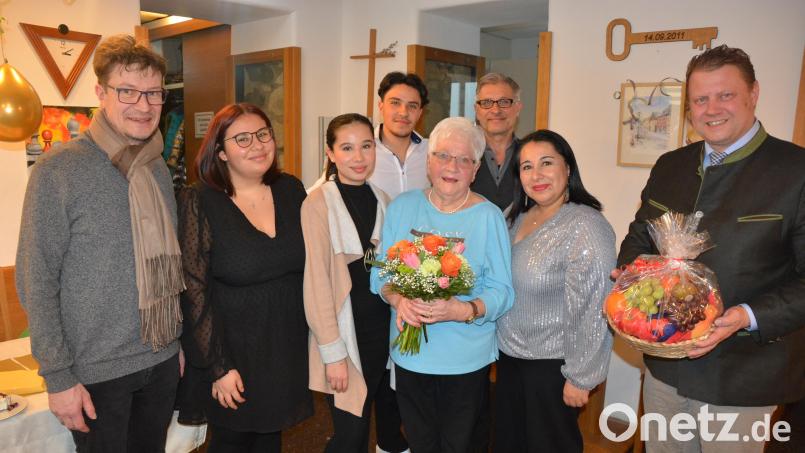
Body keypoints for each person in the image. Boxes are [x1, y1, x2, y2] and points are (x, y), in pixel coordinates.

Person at [617, 44, 805, 452]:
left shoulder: (796, 172)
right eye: (700, 99)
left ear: (753, 94)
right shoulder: (671, 165)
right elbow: (639, 237)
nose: (711, 108)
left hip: (743, 377)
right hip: (666, 369)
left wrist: (744, 317)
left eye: (725, 95)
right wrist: (626, 280)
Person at [16, 35, 183, 452]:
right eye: (127, 91)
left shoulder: (157, 167)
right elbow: (36, 279)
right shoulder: (60, 170)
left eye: (153, 94)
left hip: (159, 361)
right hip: (95, 374)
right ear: (101, 93)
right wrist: (58, 376)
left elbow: (171, 266)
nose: (143, 105)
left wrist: (173, 344)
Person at [370, 116, 514, 453]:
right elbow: (380, 275)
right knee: (420, 442)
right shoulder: (403, 207)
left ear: (475, 169)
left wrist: (462, 309)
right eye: (444, 156)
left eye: (464, 159)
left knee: (460, 445)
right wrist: (397, 300)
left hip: (465, 360)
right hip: (411, 356)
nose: (453, 166)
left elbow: (503, 292)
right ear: (429, 161)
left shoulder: (488, 216)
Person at [178, 103, 312, 452]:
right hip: (233, 351)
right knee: (234, 443)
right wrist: (218, 367)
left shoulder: (291, 189)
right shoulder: (199, 200)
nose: (258, 144)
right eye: (242, 139)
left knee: (270, 440)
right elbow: (194, 290)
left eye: (263, 134)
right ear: (220, 152)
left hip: (284, 347)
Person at [494, 130, 615, 452]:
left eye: (547, 163)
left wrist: (581, 376)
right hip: (509, 359)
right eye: (527, 167)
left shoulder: (585, 225)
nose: (537, 175)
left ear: (568, 168)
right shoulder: (515, 216)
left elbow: (595, 306)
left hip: (553, 367)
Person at [302, 113, 409, 453]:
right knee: (351, 434)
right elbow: (317, 283)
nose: (359, 157)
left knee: (389, 427)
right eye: (347, 148)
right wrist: (332, 353)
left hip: (382, 332)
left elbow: (391, 270)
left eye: (366, 146)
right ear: (331, 153)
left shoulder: (383, 200)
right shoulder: (317, 202)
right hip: (347, 336)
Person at [470, 72, 524, 212]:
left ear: (518, 108)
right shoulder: (461, 157)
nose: (495, 110)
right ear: (476, 110)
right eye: (487, 103)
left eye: (504, 102)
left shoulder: (531, 157)